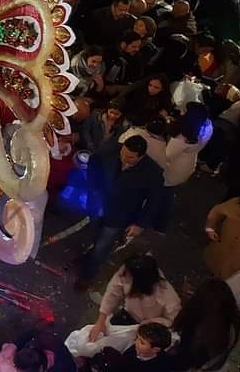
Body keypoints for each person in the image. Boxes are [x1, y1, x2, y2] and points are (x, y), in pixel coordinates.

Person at [77, 136, 164, 289]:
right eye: (123, 153)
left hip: (119, 216)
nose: (124, 158)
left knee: (103, 246)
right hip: (97, 206)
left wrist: (140, 224)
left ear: (141, 157)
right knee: (95, 234)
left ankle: (88, 274)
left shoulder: (152, 173)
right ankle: (91, 254)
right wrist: (93, 189)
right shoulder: (109, 150)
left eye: (130, 157)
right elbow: (94, 163)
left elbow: (154, 201)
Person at [66, 254, 180, 357]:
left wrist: (149, 323)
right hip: (128, 316)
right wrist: (100, 322)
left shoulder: (169, 297)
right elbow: (112, 293)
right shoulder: (127, 270)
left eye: (130, 279)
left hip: (149, 329)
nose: (125, 279)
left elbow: (172, 321)